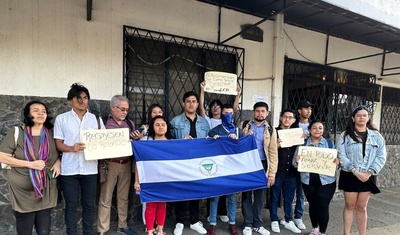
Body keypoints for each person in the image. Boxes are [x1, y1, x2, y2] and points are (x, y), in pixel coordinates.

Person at [0, 101, 61, 235]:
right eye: (36, 110)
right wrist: (30, 164)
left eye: (43, 111)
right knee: (25, 231)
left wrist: (58, 163)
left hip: (46, 190)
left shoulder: (51, 134)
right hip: (22, 194)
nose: (41, 113)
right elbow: (2, 157)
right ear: (28, 114)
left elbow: (59, 153)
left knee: (44, 231)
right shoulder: (17, 132)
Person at [54, 83, 105, 235]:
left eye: (85, 98)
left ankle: (88, 232)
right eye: (78, 98)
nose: (82, 101)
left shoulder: (95, 120)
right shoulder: (62, 119)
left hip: (90, 169)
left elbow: (103, 141)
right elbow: (58, 143)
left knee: (89, 205)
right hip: (69, 170)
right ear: (70, 100)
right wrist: (71, 148)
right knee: (71, 205)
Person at [337, 105, 387, 235]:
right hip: (350, 174)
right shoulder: (345, 135)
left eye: (364, 115)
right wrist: (355, 171)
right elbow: (341, 155)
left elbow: (381, 156)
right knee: (350, 206)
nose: (362, 118)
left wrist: (369, 172)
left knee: (362, 207)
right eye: (358, 115)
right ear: (353, 118)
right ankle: (346, 233)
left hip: (367, 175)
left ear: (368, 117)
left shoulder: (376, 136)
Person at [199, 81, 241, 223]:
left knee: (229, 193)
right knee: (215, 192)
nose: (216, 109)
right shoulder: (209, 122)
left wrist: (237, 95)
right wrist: (202, 91)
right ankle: (212, 220)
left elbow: (233, 109)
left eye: (219, 106)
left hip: (230, 164)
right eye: (214, 106)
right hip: (217, 161)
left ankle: (225, 215)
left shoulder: (235, 129)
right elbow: (202, 109)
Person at [97, 95, 139, 235]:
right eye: (122, 109)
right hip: (110, 164)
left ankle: (122, 225)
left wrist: (136, 139)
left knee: (123, 197)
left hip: (126, 163)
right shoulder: (103, 124)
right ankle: (102, 229)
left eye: (127, 109)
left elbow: (134, 145)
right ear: (113, 108)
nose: (124, 112)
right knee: (105, 197)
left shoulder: (130, 124)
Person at [170, 91, 210, 235]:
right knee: (181, 191)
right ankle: (179, 222)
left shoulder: (204, 122)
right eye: (188, 101)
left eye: (194, 101)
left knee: (196, 191)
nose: (191, 104)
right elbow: (169, 143)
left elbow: (209, 141)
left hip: (198, 162)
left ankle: (194, 221)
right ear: (183, 104)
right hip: (182, 162)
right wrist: (181, 141)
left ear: (197, 104)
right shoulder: (175, 122)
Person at [293, 120, 339, 235]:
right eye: (314, 128)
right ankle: (315, 228)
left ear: (323, 130)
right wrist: (297, 161)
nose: (317, 130)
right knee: (313, 204)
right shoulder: (302, 144)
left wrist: (337, 163)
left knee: (323, 205)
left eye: (320, 128)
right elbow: (294, 164)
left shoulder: (329, 144)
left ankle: (322, 232)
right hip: (308, 180)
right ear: (309, 130)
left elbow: (336, 165)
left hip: (327, 181)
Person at [241, 101, 278, 235]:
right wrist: (245, 135)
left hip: (262, 164)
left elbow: (273, 152)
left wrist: (272, 173)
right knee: (246, 194)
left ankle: (257, 223)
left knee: (259, 196)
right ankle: (247, 224)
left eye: (263, 111)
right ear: (253, 112)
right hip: (247, 164)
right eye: (258, 111)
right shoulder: (244, 125)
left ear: (267, 113)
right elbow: (236, 142)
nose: (260, 114)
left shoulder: (271, 130)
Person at [207, 103, 243, 235]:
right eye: (226, 113)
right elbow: (206, 147)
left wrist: (237, 140)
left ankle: (232, 224)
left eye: (231, 113)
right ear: (221, 114)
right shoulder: (215, 130)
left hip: (232, 170)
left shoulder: (239, 131)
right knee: (214, 197)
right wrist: (213, 140)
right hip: (218, 169)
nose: (229, 115)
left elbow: (243, 149)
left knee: (232, 198)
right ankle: (212, 224)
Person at [134, 115, 173, 235]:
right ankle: (150, 231)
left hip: (166, 180)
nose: (161, 127)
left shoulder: (173, 144)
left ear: (167, 126)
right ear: (152, 127)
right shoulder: (146, 143)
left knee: (162, 205)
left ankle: (160, 230)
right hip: (150, 179)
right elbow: (139, 163)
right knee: (150, 206)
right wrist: (137, 181)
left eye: (163, 124)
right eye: (157, 125)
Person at [269, 109, 301, 234]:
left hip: (292, 172)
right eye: (285, 117)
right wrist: (275, 145)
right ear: (281, 118)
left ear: (293, 120)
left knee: (289, 198)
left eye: (290, 117)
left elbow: (301, 150)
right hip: (277, 171)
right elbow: (268, 151)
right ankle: (274, 219)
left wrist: (302, 139)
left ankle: (288, 219)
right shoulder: (274, 132)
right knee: (274, 197)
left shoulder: (296, 133)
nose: (287, 119)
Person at [290, 100, 314, 230]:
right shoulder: (292, 125)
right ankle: (287, 217)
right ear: (299, 111)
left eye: (310, 108)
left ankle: (298, 217)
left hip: (308, 164)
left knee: (301, 193)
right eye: (306, 108)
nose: (309, 111)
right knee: (289, 191)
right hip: (293, 162)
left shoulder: (314, 125)